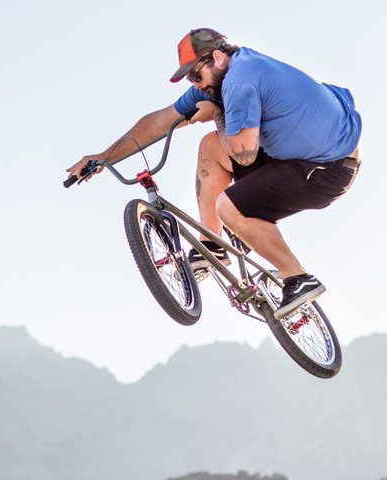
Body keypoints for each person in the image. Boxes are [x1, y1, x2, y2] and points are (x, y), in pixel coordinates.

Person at [66, 28, 362, 319]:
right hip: (296, 155)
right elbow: (160, 121)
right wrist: (102, 158)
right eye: (191, 79)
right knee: (210, 146)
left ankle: (297, 277)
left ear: (218, 58)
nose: (196, 85)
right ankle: (212, 244)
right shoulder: (222, 79)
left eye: (197, 75)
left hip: (329, 167)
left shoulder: (240, 82)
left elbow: (243, 153)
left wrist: (216, 114)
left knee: (228, 207)